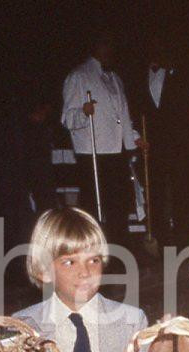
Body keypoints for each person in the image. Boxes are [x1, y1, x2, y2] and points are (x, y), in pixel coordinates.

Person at [13, 207, 148, 352]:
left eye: (93, 260)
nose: (85, 272)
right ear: (44, 271)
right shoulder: (23, 328)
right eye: (69, 262)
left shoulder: (132, 323)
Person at [61, 31, 148, 249]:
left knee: (120, 204)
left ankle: (119, 250)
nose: (110, 51)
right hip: (93, 152)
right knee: (95, 206)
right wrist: (83, 111)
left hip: (116, 151)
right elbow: (67, 118)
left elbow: (122, 115)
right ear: (95, 47)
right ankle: (94, 249)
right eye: (105, 45)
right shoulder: (78, 76)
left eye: (112, 46)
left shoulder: (115, 78)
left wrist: (134, 138)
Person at [132, 35, 189, 246]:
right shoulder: (139, 75)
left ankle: (183, 237)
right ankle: (159, 237)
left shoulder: (182, 73)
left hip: (178, 142)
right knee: (155, 190)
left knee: (181, 189)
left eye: (160, 48)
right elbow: (136, 106)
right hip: (153, 143)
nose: (157, 52)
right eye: (153, 48)